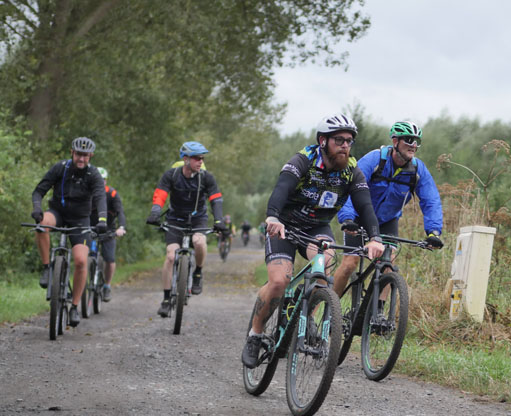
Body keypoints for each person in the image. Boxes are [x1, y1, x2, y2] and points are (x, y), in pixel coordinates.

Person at [241, 114, 385, 368]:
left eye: (349, 141)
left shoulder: (352, 171)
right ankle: (255, 335)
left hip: (317, 228)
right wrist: (273, 217)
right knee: (279, 282)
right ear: (323, 141)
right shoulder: (303, 160)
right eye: (339, 140)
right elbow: (281, 189)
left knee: (323, 266)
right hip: (285, 226)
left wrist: (374, 238)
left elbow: (365, 206)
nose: (345, 145)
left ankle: (304, 312)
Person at [332, 120, 444, 296]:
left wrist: (434, 232)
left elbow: (431, 200)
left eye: (417, 141)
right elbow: (350, 187)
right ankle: (331, 307)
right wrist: (347, 218)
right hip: (358, 217)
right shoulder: (375, 160)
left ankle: (378, 312)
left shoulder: (417, 170)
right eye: (409, 140)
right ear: (395, 141)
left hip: (387, 221)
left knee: (388, 264)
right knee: (350, 264)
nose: (413, 145)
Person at [31, 137, 107, 327]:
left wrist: (102, 220)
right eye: (78, 154)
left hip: (80, 219)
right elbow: (39, 191)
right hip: (57, 213)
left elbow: (100, 198)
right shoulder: (60, 168)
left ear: (91, 156)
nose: (81, 158)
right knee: (41, 225)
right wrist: (37, 208)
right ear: (72, 152)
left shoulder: (93, 174)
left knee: (81, 261)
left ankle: (74, 306)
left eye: (85, 155)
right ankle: (47, 268)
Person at [146, 141, 226, 317]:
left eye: (202, 158)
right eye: (197, 158)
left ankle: (198, 272)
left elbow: (216, 199)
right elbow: (160, 194)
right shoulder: (172, 175)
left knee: (199, 242)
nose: (200, 161)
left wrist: (219, 219)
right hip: (175, 218)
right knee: (170, 256)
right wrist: (155, 212)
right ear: (185, 159)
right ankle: (166, 299)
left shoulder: (206, 177)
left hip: (198, 219)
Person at [89, 167, 127, 301]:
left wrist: (121, 227)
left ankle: (107, 286)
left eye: (103, 180)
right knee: (85, 255)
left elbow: (120, 212)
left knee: (109, 259)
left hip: (109, 230)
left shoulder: (112, 194)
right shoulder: (88, 193)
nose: (101, 182)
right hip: (90, 228)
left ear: (106, 181)